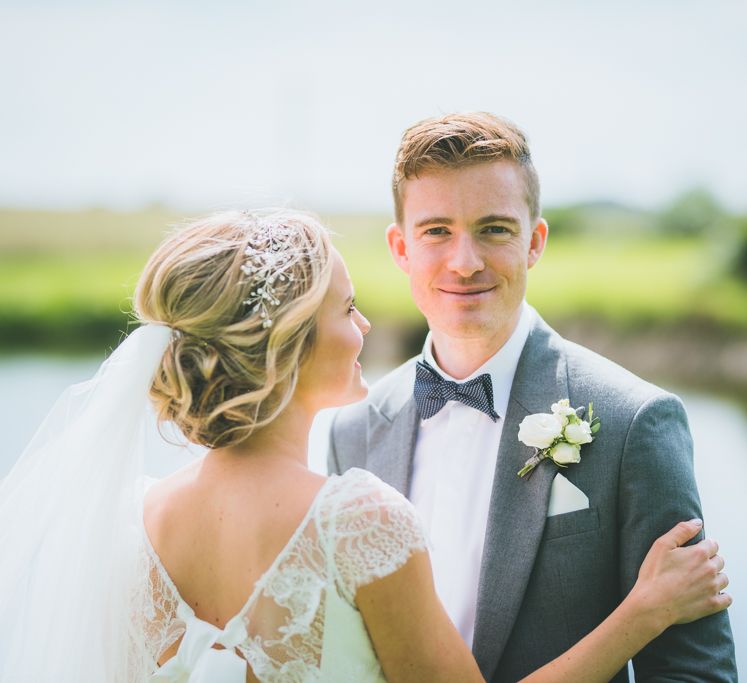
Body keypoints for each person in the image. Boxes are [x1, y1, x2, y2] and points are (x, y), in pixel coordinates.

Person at [0, 210, 731, 683]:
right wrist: (642, 611)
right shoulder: (356, 519)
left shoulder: (137, 521)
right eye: (346, 308)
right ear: (288, 343)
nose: (364, 329)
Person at [328, 112, 738, 682]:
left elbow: (694, 672)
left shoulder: (634, 420)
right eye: (436, 231)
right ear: (400, 247)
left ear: (534, 242)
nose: (465, 262)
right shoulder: (351, 431)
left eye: (494, 229)